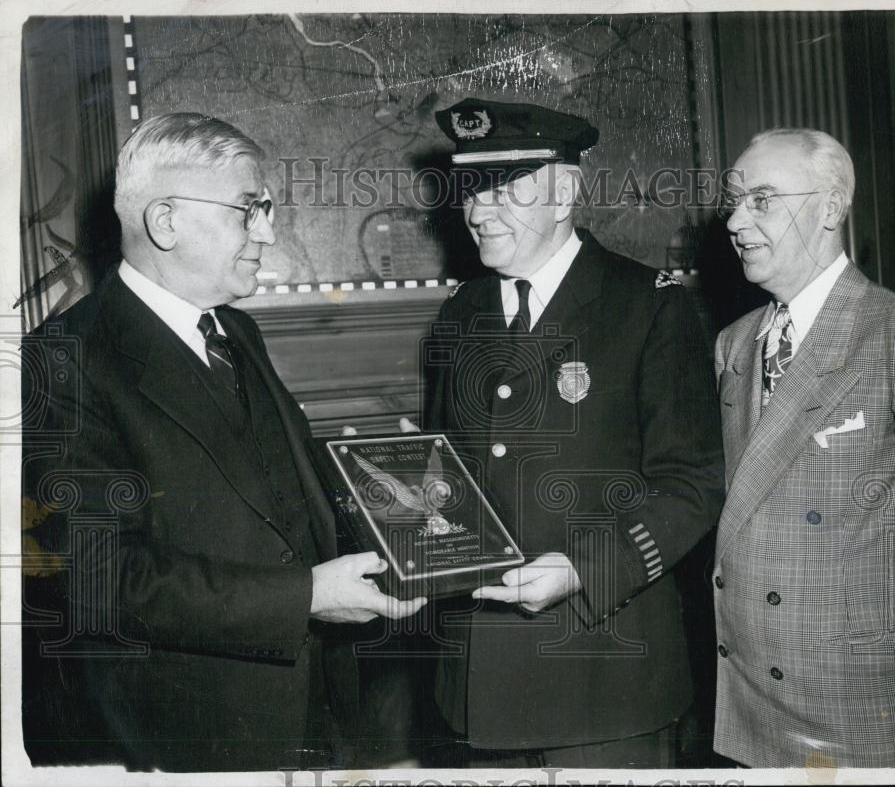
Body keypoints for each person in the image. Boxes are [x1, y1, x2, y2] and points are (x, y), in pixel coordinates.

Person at [20, 113, 425, 772]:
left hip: (310, 703)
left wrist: (394, 488)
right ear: (166, 222)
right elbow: (100, 578)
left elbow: (281, 486)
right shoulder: (62, 359)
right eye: (249, 209)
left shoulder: (235, 330)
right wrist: (307, 597)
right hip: (186, 730)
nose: (268, 230)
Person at [421, 98, 725, 768]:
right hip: (476, 684)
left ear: (564, 191)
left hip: (605, 677)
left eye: (504, 189)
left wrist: (587, 570)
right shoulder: (458, 315)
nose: (478, 210)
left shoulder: (648, 306)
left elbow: (692, 485)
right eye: (469, 188)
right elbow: (448, 472)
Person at [712, 128, 895, 768]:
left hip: (866, 718)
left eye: (763, 200)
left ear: (830, 210)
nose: (735, 219)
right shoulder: (734, 343)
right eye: (734, 200)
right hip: (750, 707)